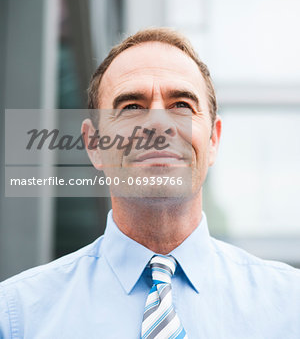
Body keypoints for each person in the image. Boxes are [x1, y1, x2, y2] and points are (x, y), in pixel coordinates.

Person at [0, 28, 299, 338]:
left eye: (182, 105)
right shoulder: (16, 317)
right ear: (94, 145)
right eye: (131, 107)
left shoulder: (292, 307)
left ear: (213, 140)